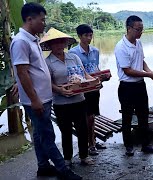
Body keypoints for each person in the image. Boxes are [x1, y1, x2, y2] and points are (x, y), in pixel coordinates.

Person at [10, 3, 81, 179]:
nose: (44, 23)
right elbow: (22, 72)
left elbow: (30, 70)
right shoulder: (20, 42)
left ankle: (43, 166)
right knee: (47, 135)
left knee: (40, 135)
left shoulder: (32, 40)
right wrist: (34, 100)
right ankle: (63, 171)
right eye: (42, 20)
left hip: (43, 97)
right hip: (37, 99)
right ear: (29, 19)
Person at [41, 28, 95, 166]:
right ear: (49, 45)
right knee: (65, 131)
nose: (59, 46)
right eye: (55, 43)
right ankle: (67, 158)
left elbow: (84, 75)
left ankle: (84, 156)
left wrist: (93, 82)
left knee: (82, 129)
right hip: (61, 103)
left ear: (65, 44)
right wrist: (60, 90)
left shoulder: (74, 57)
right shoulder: (47, 62)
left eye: (61, 42)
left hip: (79, 100)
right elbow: (48, 82)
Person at [114, 15, 153, 156]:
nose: (141, 32)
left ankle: (146, 145)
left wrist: (151, 73)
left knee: (143, 116)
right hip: (127, 87)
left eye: (142, 29)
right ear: (129, 29)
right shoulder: (121, 47)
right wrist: (150, 75)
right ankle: (128, 146)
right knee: (127, 118)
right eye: (138, 29)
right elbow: (128, 70)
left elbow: (141, 61)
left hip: (140, 86)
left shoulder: (138, 43)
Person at [69, 24, 110, 156]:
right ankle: (90, 144)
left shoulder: (95, 51)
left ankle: (92, 141)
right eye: (86, 35)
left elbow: (95, 69)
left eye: (91, 35)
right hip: (82, 90)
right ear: (79, 36)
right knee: (87, 118)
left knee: (92, 116)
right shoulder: (73, 53)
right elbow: (74, 75)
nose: (89, 38)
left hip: (94, 88)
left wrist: (103, 77)